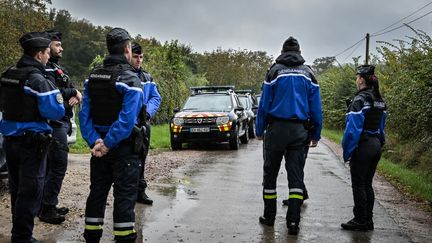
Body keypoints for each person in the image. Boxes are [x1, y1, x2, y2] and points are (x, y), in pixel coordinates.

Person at [79, 28, 145, 243]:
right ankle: (124, 239)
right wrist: (107, 144)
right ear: (127, 48)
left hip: (98, 149)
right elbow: (126, 121)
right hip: (123, 149)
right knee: (124, 198)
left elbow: (84, 115)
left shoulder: (92, 78)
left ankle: (91, 237)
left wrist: (94, 141)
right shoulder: (130, 80)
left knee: (97, 193)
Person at [0, 31, 65, 243]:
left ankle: (19, 235)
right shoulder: (37, 79)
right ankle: (22, 238)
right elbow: (56, 111)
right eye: (47, 52)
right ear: (38, 54)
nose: (48, 57)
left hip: (10, 142)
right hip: (32, 144)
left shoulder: (8, 73)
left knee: (17, 190)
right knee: (30, 193)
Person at [255, 36, 322, 235]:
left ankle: (269, 217)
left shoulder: (274, 72)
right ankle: (293, 222)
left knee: (270, 175)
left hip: (276, 130)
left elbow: (264, 105)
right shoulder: (309, 73)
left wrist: (259, 130)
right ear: (299, 52)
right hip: (299, 131)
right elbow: (316, 108)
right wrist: (316, 134)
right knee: (296, 176)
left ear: (283, 52)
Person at [38, 30, 82, 224]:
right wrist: (74, 92)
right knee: (57, 166)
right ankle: (46, 208)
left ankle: (47, 203)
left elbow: (63, 89)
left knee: (50, 167)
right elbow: (54, 92)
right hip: (55, 125)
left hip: (61, 122)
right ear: (48, 47)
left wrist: (74, 94)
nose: (61, 48)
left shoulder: (55, 67)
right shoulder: (45, 69)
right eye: (57, 45)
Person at [341, 65, 386, 231]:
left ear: (361, 79)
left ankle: (360, 220)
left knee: (358, 184)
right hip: (375, 145)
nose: (356, 80)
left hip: (363, 146)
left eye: (357, 77)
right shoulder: (379, 99)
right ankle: (368, 220)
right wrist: (380, 142)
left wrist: (347, 152)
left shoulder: (360, 100)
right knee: (367, 184)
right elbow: (382, 127)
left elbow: (352, 131)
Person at [130, 42, 162, 205]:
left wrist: (147, 112)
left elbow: (156, 98)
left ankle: (140, 191)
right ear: (129, 56)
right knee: (128, 159)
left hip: (144, 124)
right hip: (128, 124)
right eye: (135, 57)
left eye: (141, 57)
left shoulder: (147, 78)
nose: (139, 60)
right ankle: (127, 191)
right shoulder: (124, 75)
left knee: (142, 158)